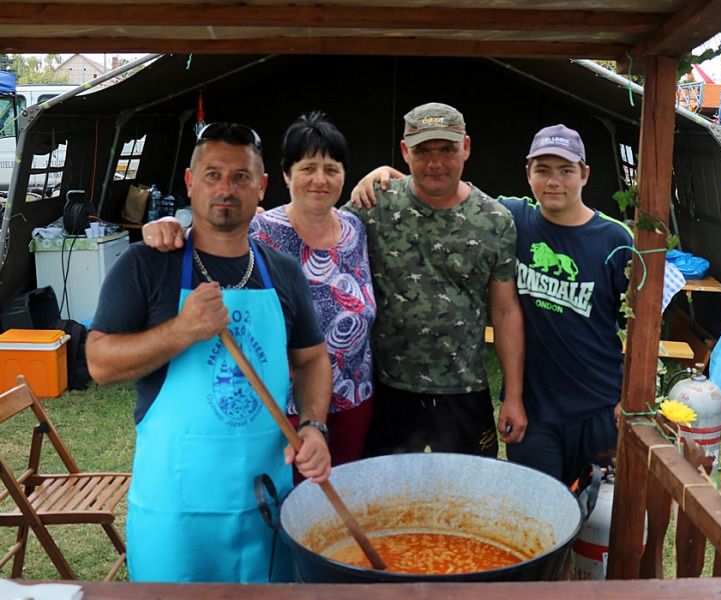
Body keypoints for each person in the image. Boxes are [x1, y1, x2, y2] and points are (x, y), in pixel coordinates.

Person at [86, 122, 333, 583]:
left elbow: (313, 358)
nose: (226, 188)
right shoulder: (145, 263)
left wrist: (314, 426)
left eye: (241, 177)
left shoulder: (281, 271)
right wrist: (180, 331)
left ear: (261, 188)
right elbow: (99, 364)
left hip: (265, 503)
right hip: (174, 510)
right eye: (213, 174)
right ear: (189, 182)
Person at [352, 124, 631, 486]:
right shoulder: (513, 219)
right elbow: (447, 191)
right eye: (543, 170)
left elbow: (641, 324)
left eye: (566, 170)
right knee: (534, 514)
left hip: (598, 405)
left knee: (595, 513)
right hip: (536, 408)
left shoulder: (615, 239)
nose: (554, 181)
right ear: (527, 173)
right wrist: (388, 176)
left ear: (585, 174)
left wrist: (631, 397)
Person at [142, 113, 376, 477]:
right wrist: (168, 226)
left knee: (343, 498)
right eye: (308, 167)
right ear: (284, 175)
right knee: (289, 505)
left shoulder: (355, 229)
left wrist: (386, 173)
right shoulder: (260, 230)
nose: (320, 179)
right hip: (281, 405)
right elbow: (207, 232)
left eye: (332, 169)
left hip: (355, 397)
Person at [342, 102, 527, 458]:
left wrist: (513, 397)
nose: (435, 163)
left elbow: (505, 312)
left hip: (463, 388)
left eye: (447, 149)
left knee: (468, 497)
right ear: (404, 152)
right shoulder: (374, 206)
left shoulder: (495, 221)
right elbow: (322, 235)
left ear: (467, 147)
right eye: (423, 151)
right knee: (385, 497)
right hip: (386, 387)